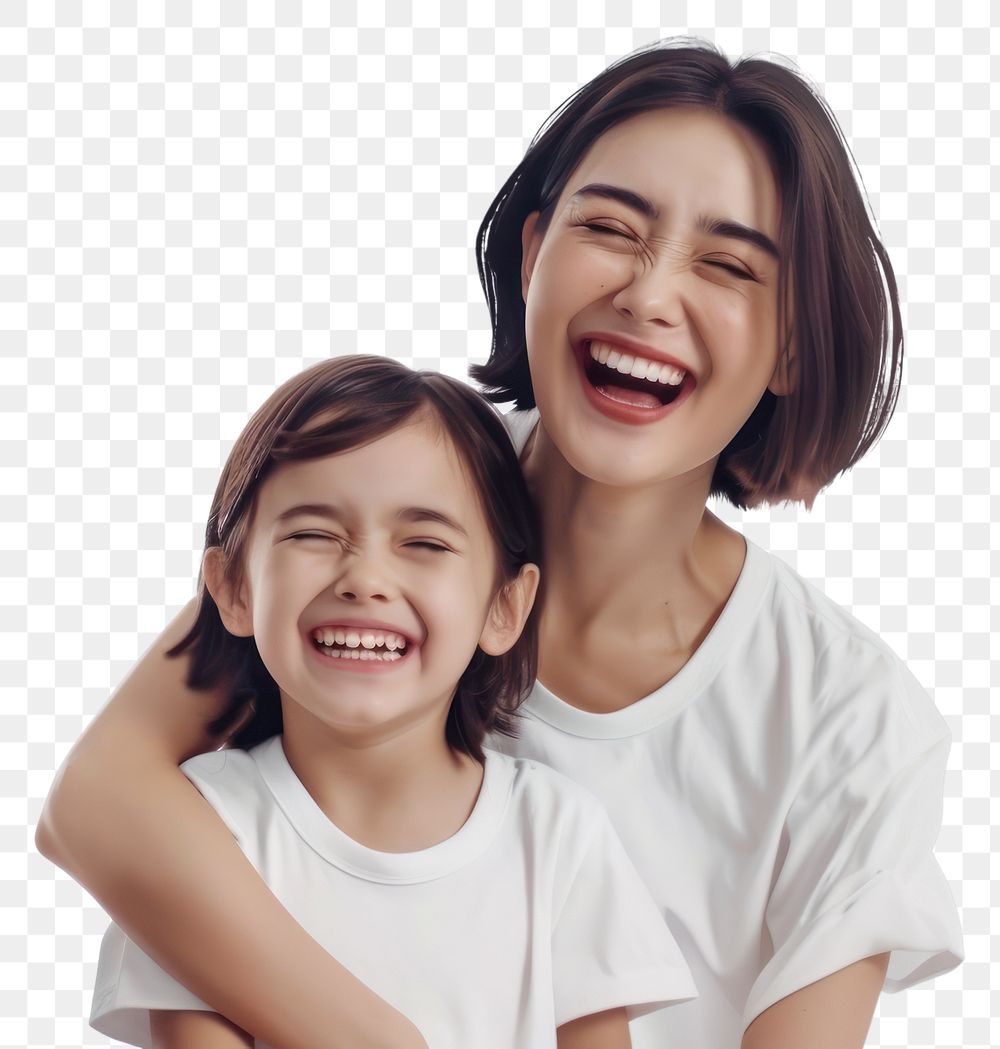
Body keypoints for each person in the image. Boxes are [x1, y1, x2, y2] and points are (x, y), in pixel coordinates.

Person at [37, 39, 962, 1049]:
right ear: (532, 256)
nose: (648, 295)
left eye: (728, 264)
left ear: (791, 340)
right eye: (610, 226)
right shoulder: (388, 500)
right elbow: (97, 800)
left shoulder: (849, 719)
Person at [86, 354, 695, 1049]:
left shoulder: (557, 835)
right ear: (232, 587)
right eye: (314, 533)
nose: (365, 578)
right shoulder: (200, 831)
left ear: (505, 605)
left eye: (425, 542)